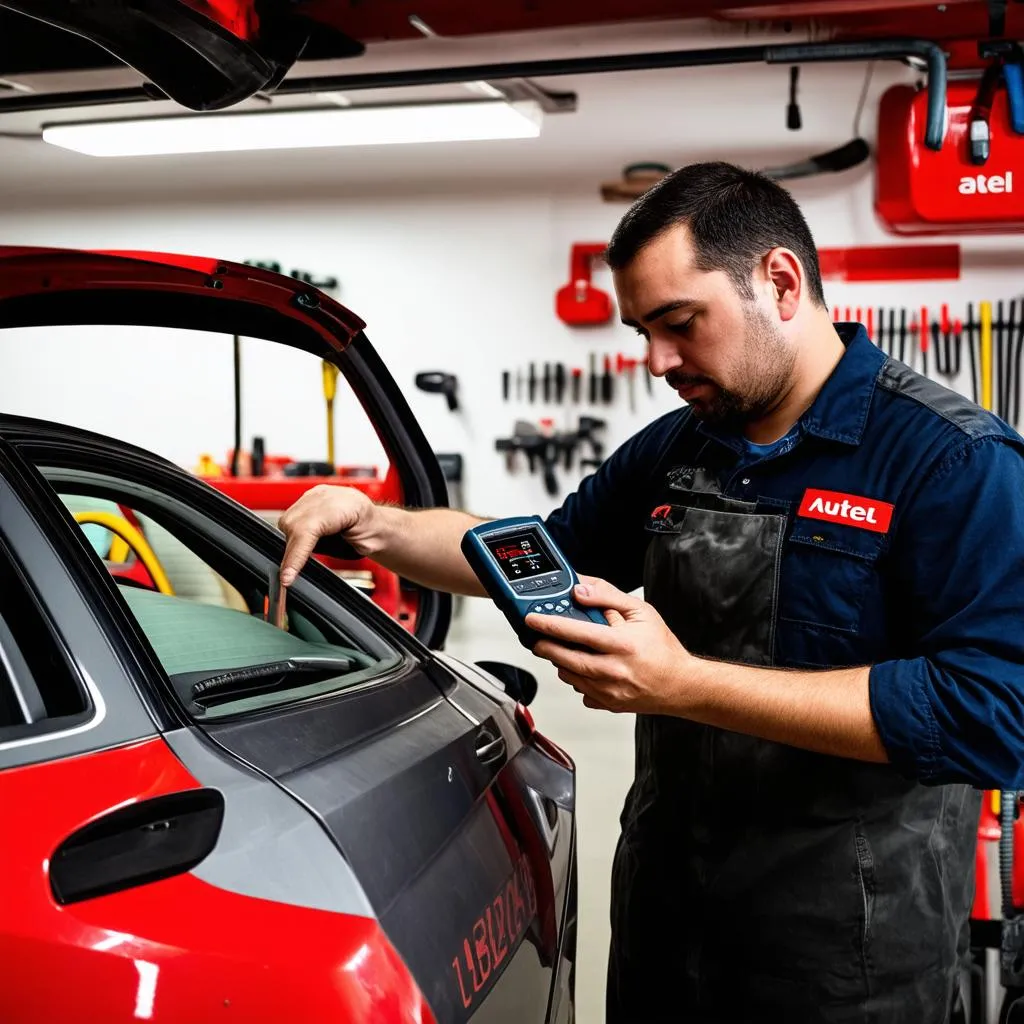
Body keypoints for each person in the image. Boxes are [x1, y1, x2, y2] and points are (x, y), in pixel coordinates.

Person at [277, 161, 1024, 1023]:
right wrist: (377, 525)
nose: (658, 361)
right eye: (644, 331)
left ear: (779, 282)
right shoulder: (681, 446)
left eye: (679, 323)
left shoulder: (954, 462)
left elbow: (992, 713)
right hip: (667, 920)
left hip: (846, 958)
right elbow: (540, 550)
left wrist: (685, 685)